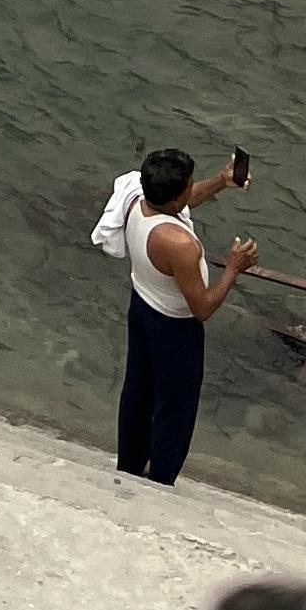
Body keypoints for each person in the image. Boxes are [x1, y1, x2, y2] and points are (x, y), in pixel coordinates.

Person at [111, 146, 256, 486]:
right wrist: (234, 269)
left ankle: (129, 464)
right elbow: (203, 308)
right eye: (191, 184)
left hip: (141, 306)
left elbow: (181, 203)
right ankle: (161, 478)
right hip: (173, 329)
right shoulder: (180, 245)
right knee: (175, 407)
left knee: (138, 391)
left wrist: (221, 181)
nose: (194, 188)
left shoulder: (136, 200)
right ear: (177, 199)